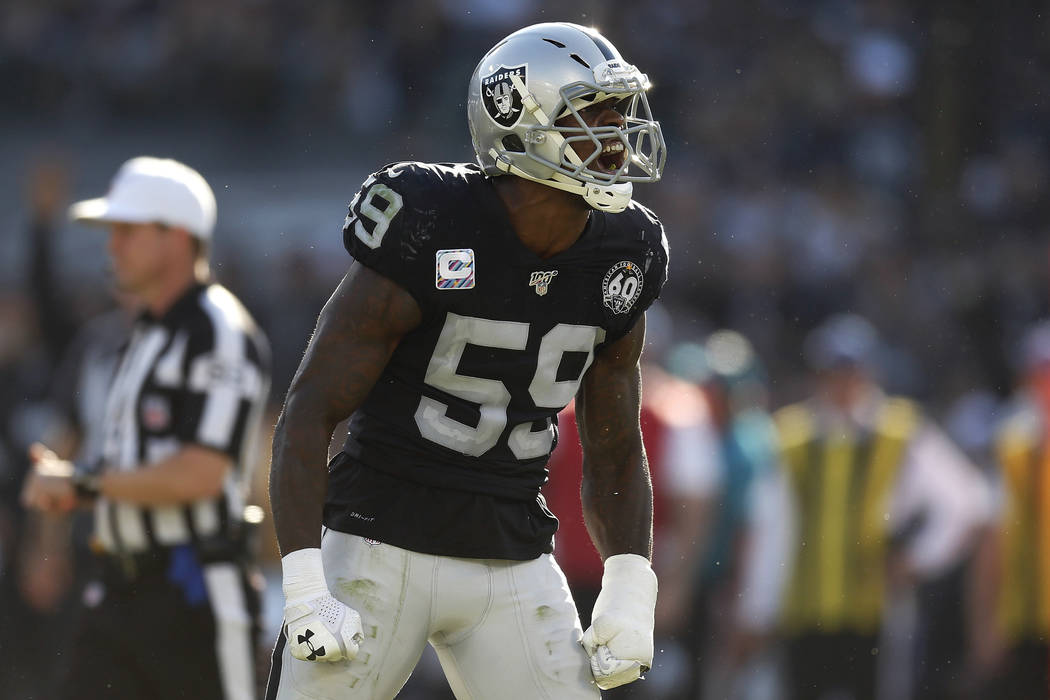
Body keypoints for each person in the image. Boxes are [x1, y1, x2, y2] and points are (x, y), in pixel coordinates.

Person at [265, 21, 668, 700]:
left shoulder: (625, 251)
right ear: (521, 120)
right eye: (594, 114)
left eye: (620, 112)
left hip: (511, 552)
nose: (619, 134)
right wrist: (305, 586)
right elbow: (309, 409)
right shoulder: (429, 221)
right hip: (378, 543)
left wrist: (630, 582)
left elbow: (615, 446)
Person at [21, 156, 271, 700]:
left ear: (175, 237)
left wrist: (83, 484)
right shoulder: (145, 335)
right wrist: (71, 483)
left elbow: (201, 472)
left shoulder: (218, 331)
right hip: (117, 588)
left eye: (127, 231)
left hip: (194, 593)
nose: (112, 247)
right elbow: (137, 462)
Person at [771, 314, 989, 700]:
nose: (843, 383)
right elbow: (770, 524)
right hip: (802, 608)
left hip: (876, 611)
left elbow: (968, 503)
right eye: (834, 373)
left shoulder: (900, 430)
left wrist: (918, 560)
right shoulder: (791, 434)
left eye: (851, 372)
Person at [977, 319, 1050, 698]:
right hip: (1025, 622)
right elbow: (993, 541)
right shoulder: (1012, 445)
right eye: (1041, 375)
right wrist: (986, 625)